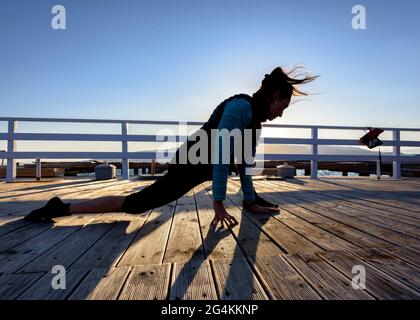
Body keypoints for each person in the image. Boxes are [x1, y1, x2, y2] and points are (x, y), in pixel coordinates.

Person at [24, 66, 317, 228]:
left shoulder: (254, 123)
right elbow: (220, 156)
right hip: (190, 165)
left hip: (202, 167)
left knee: (138, 205)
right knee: (137, 205)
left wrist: (250, 200)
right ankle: (62, 208)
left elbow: (244, 166)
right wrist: (217, 202)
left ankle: (63, 207)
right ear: (274, 95)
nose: (281, 113)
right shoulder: (239, 108)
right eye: (283, 105)